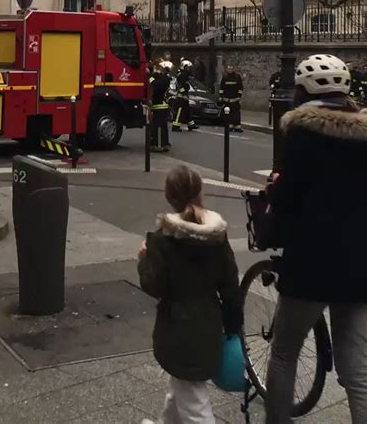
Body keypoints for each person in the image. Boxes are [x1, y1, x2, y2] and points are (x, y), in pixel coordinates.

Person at [265, 53, 367, 424]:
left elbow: (289, 200)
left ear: (301, 93)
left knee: (284, 352)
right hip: (359, 264)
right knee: (357, 367)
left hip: (311, 266)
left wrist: (271, 211)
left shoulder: (302, 134)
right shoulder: (363, 134)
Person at [138, 165, 243, 424]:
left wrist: (144, 258)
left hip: (178, 330)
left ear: (167, 195)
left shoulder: (163, 240)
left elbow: (154, 286)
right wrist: (232, 326)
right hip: (208, 323)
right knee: (182, 387)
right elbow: (230, 285)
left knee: (194, 403)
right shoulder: (217, 236)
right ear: (199, 192)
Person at [148, 61, 172, 153]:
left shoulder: (165, 79)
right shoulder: (162, 78)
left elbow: (157, 86)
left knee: (159, 126)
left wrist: (151, 79)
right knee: (161, 126)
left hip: (160, 107)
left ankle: (159, 145)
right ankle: (164, 144)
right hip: (159, 106)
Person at [172, 59, 199, 133]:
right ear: (185, 67)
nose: (189, 69)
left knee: (187, 110)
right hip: (181, 97)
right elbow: (180, 86)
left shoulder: (185, 75)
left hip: (184, 96)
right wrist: (184, 94)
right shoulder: (181, 75)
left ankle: (191, 124)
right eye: (188, 68)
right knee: (179, 112)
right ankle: (175, 126)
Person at [218, 64, 244, 133]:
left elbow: (240, 87)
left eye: (231, 69)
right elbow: (221, 88)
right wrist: (221, 96)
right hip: (227, 100)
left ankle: (237, 127)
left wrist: (239, 96)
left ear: (233, 69)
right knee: (228, 114)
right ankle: (229, 126)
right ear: (227, 69)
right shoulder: (225, 77)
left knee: (236, 114)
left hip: (235, 99)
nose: (230, 70)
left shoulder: (237, 77)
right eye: (229, 69)